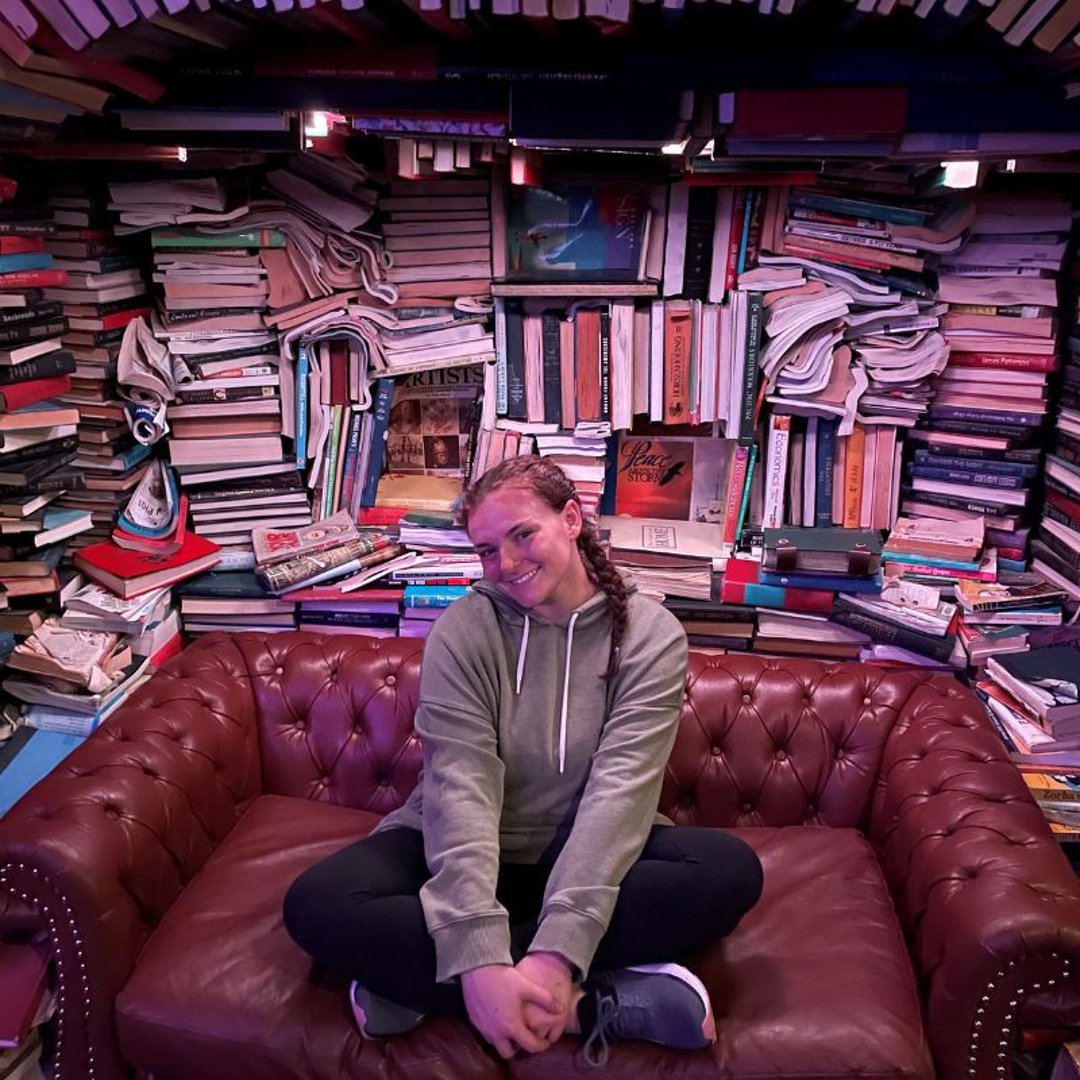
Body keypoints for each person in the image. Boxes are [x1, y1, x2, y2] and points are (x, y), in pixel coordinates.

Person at [283, 457, 763, 1065]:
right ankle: (588, 1006)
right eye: (486, 550)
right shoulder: (464, 631)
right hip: (462, 849)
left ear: (570, 519)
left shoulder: (650, 634)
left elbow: (619, 796)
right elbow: (461, 790)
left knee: (728, 872)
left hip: (586, 852)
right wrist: (480, 954)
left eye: (521, 535)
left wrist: (555, 951)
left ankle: (425, 990)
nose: (505, 565)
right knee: (318, 903)